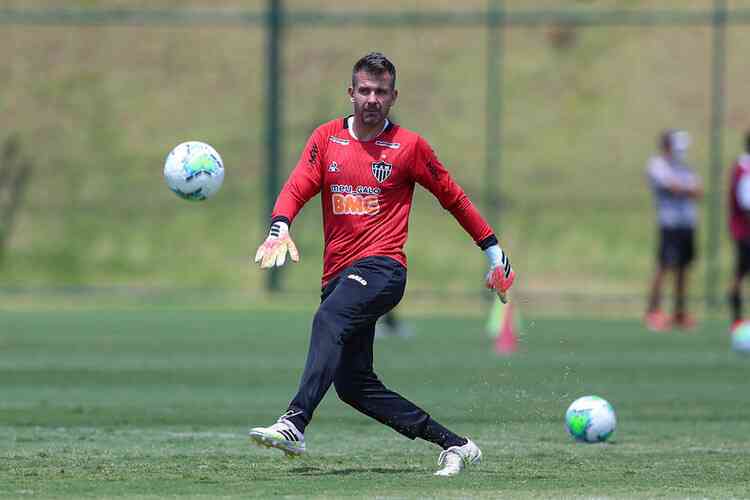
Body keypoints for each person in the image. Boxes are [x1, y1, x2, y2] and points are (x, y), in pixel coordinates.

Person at [249, 52, 515, 477]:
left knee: (329, 318)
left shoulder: (409, 147)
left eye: (381, 92)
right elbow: (298, 184)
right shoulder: (325, 139)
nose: (372, 99)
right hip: (338, 275)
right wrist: (280, 226)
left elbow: (454, 197)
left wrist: (493, 251)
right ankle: (456, 445)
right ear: (351, 93)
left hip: (383, 269)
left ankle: (295, 422)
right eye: (365, 90)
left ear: (393, 97)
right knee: (355, 386)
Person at [644, 129, 702, 332]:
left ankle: (679, 312)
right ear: (667, 147)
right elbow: (673, 188)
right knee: (664, 267)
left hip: (687, 224)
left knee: (684, 269)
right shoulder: (657, 165)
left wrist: (685, 190)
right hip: (670, 224)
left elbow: (698, 192)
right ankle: (653, 311)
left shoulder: (685, 167)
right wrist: (685, 190)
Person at [728, 131, 750, 330]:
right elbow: (746, 202)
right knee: (740, 273)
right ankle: (736, 319)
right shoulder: (744, 168)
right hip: (745, 232)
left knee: (741, 273)